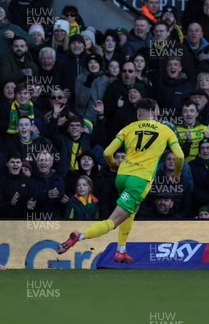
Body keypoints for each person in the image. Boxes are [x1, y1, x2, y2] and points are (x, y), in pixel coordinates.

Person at [57, 98, 185, 263]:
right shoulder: (166, 130)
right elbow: (180, 156)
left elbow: (108, 152)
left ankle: (121, 250)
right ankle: (79, 236)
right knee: (113, 221)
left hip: (122, 176)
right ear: (156, 113)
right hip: (139, 180)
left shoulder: (128, 128)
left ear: (139, 113)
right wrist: (176, 173)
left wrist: (113, 165)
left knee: (131, 210)